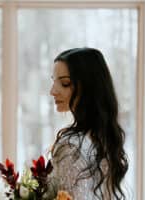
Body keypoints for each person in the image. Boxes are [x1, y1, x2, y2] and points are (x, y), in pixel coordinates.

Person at [47, 48, 129, 200]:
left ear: (89, 87)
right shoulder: (105, 137)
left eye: (65, 83)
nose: (53, 91)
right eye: (54, 81)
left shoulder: (71, 146)